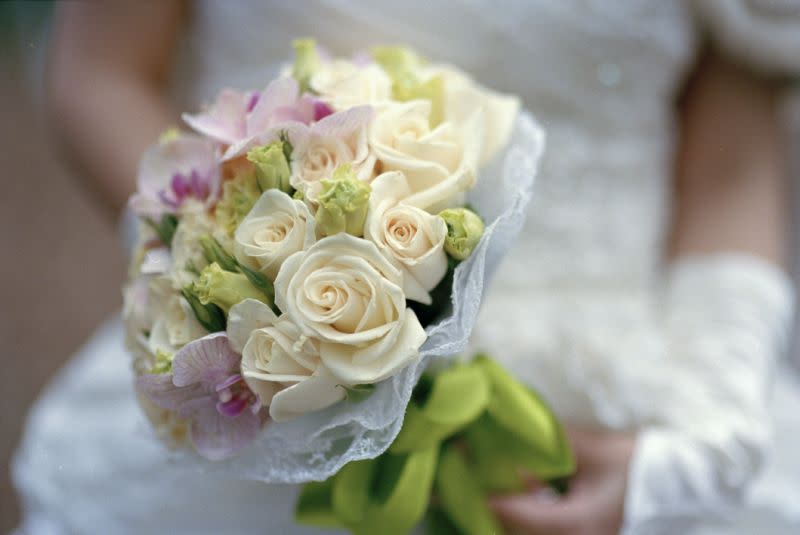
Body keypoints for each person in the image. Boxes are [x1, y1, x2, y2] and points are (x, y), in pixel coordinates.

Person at [13, 1, 800, 534]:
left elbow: (731, 163)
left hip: (612, 405)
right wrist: (232, 275)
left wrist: (709, 428)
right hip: (273, 407)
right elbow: (100, 72)